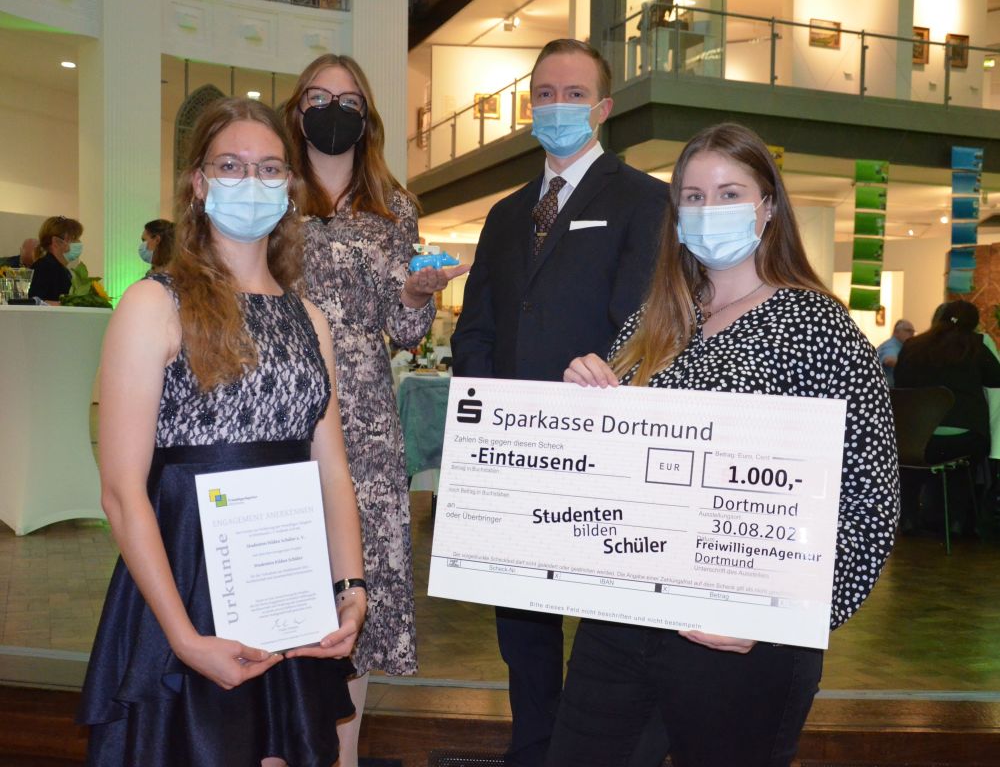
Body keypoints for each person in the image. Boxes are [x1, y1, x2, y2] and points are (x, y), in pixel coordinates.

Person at [549, 122, 899, 767]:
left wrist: (783, 615)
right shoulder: (655, 317)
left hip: (743, 632)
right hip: (622, 619)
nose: (710, 211)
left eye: (729, 192)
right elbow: (611, 464)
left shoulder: (819, 326)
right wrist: (584, 404)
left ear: (768, 206)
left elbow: (869, 501)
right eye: (693, 196)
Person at [78, 97, 367, 766]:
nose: (252, 181)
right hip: (182, 583)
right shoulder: (154, 303)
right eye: (230, 165)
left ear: (290, 189)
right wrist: (180, 636)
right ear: (200, 183)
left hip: (286, 583)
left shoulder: (308, 319)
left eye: (270, 168)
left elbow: (332, 472)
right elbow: (122, 490)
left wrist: (350, 591)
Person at [451, 38, 670, 767]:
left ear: (603, 109)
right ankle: (534, 747)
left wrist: (594, 402)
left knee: (609, 622)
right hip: (513, 450)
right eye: (544, 92)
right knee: (522, 626)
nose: (557, 106)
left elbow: (643, 321)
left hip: (600, 445)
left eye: (574, 93)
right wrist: (483, 415)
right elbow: (477, 323)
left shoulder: (644, 200)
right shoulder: (508, 213)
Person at [282, 53, 467, 766]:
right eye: (319, 96)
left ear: (368, 114)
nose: (334, 109)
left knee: (357, 585)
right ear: (298, 109)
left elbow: (407, 328)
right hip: (281, 394)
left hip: (361, 402)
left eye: (349, 98)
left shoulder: (395, 204)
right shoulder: (274, 189)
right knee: (284, 564)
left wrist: (421, 296)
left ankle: (344, 755)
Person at [894, 300, 1000, 535]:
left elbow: (899, 382)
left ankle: (909, 517)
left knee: (913, 465)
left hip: (915, 441)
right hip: (963, 439)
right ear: (973, 324)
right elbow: (996, 380)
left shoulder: (911, 345)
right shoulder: (976, 345)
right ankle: (957, 522)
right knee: (965, 462)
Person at [29, 216, 83, 302]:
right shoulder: (44, 268)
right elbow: (35, 302)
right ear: (56, 242)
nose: (78, 243)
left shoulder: (62, 269)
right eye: (74, 239)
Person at [876, 318, 914, 386]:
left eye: (913, 331)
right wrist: (912, 368)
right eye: (908, 330)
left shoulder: (900, 345)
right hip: (888, 390)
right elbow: (889, 360)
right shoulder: (892, 345)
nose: (912, 334)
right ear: (896, 332)